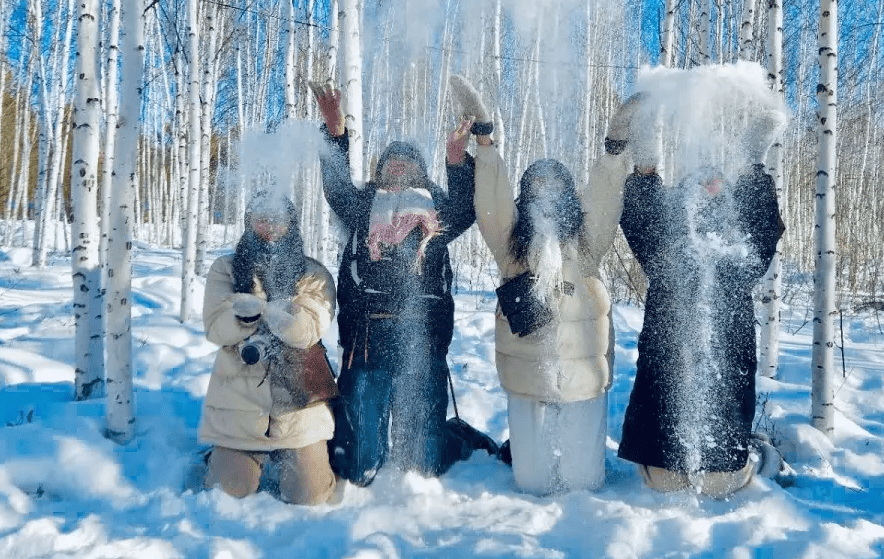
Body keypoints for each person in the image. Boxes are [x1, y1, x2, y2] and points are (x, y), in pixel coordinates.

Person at [462, 76, 632, 493]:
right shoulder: (512, 243)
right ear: (524, 193)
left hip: (583, 377)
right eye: (536, 186)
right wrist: (484, 145)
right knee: (533, 482)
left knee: (583, 483)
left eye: (556, 186)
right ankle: (522, 448)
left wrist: (613, 155)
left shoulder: (586, 241)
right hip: (527, 377)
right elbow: (491, 205)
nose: (546, 193)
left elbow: (605, 202)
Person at [311, 83, 481, 486]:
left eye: (408, 163)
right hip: (367, 339)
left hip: (420, 341)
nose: (399, 167)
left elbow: (469, 207)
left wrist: (457, 161)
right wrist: (336, 134)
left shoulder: (437, 214)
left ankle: (457, 437)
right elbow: (336, 187)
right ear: (380, 171)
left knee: (423, 461)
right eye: (392, 163)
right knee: (360, 465)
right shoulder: (363, 207)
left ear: (420, 172)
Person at [617, 138, 784, 497]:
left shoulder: (717, 253)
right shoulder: (717, 252)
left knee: (723, 464)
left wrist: (645, 172)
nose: (710, 187)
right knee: (749, 462)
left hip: (677, 464)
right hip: (688, 467)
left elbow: (763, 227)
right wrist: (755, 169)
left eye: (716, 183)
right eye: (703, 182)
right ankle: (759, 457)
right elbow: (764, 225)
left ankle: (746, 458)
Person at [198, 192, 339, 505]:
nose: (270, 226)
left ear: (292, 223)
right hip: (239, 410)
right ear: (249, 223)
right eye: (262, 219)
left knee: (310, 496)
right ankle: (223, 456)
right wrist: (243, 316)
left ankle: (305, 456)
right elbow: (215, 328)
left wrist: (274, 313)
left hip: (299, 407)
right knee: (229, 492)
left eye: (278, 218)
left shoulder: (313, 274)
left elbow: (308, 330)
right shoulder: (226, 269)